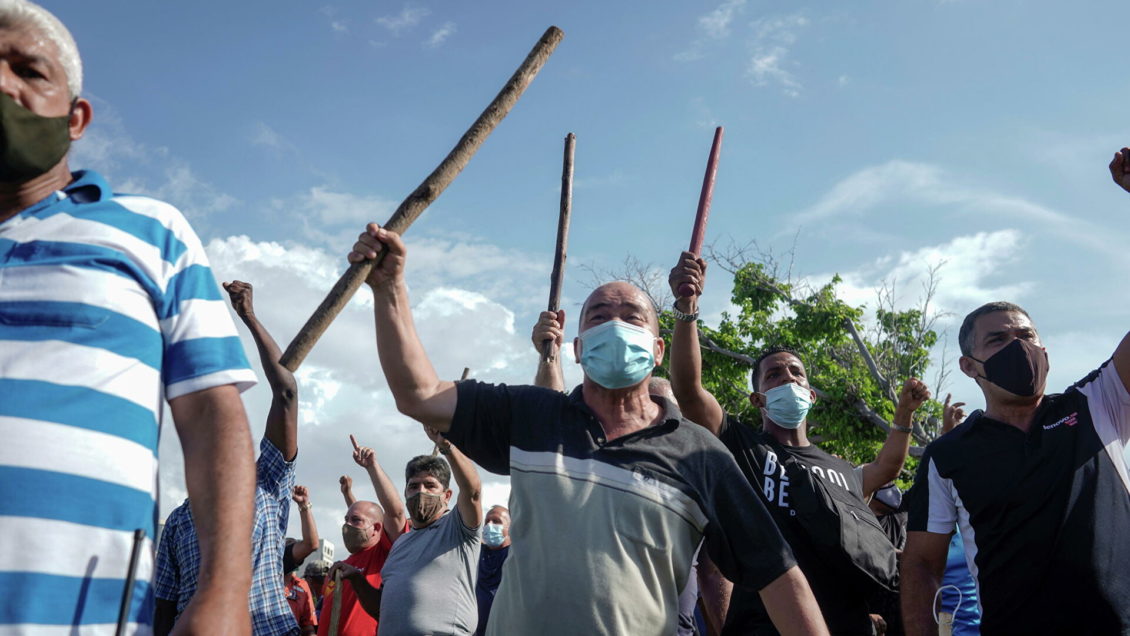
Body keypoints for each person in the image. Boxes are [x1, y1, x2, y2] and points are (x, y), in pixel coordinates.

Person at [348, 223, 829, 635]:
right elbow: (419, 394)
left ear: (657, 349)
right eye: (599, 316)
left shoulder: (698, 454)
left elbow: (778, 575)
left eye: (632, 316)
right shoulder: (531, 415)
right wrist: (390, 288)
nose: (615, 324)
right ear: (578, 347)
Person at [0, 1, 257, 632]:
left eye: (29, 70)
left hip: (80, 614)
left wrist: (223, 597)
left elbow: (212, 418)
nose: (2, 84)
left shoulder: (151, 232)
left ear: (76, 117)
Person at [667, 251, 929, 635]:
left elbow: (886, 468)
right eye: (773, 375)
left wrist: (903, 416)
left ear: (811, 393)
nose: (788, 379)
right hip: (766, 624)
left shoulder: (841, 470)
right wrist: (687, 307)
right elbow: (689, 392)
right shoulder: (745, 450)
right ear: (758, 399)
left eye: (796, 373)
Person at [901, 279, 1130, 633]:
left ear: (1045, 350)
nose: (1018, 347)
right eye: (998, 340)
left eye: (1026, 336)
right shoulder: (947, 455)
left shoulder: (1097, 402)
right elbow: (922, 565)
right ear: (969, 366)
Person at [154, 280, 300, 635]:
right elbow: (164, 606)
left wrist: (249, 317)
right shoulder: (178, 521)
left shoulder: (265, 482)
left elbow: (286, 392)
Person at [333, 432, 483, 635]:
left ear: (447, 496)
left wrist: (447, 446)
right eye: (413, 486)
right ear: (405, 492)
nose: (421, 491)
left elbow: (472, 491)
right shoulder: (400, 544)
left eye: (430, 485)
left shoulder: (457, 528)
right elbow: (381, 610)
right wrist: (357, 580)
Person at [318, 436, 407, 636]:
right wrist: (348, 495)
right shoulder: (343, 565)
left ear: (377, 529)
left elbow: (395, 513)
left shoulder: (385, 553)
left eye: (355, 521)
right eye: (345, 519)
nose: (347, 526)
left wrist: (371, 467)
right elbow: (363, 516)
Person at [475, 505, 511, 636]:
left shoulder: (516, 556)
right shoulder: (476, 553)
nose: (489, 525)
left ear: (510, 528)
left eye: (496, 521)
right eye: (487, 522)